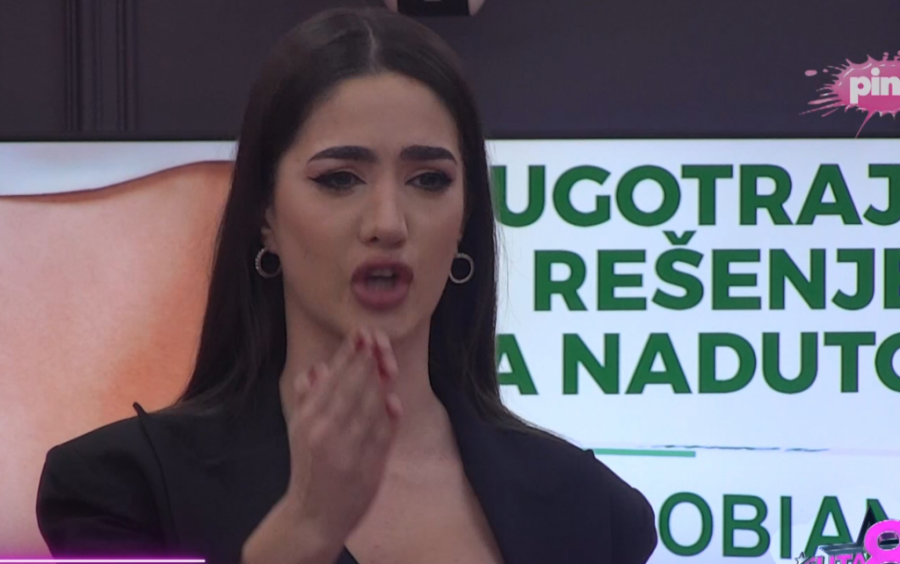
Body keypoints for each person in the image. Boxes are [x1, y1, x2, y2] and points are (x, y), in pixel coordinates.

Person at [35, 7, 658, 564]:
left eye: (429, 180)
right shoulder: (122, 490)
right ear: (265, 216)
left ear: (466, 219)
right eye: (339, 179)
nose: (388, 223)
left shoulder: (593, 511)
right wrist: (304, 530)